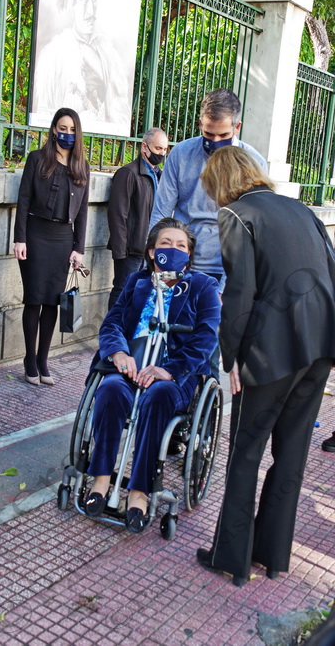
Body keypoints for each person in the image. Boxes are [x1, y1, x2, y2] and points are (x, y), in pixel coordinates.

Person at [196, 146, 335, 586]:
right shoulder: (302, 209)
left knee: (245, 454)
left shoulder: (236, 215)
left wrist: (231, 357)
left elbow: (240, 293)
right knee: (291, 454)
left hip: (270, 350)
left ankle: (231, 559)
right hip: (320, 345)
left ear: (220, 184)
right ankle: (272, 556)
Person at [85, 218, 220, 533]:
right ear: (150, 251)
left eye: (181, 246)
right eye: (165, 244)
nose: (173, 250)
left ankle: (140, 491)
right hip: (132, 365)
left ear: (189, 254)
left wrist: (169, 370)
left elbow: (206, 338)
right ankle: (101, 478)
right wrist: (119, 353)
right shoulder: (137, 281)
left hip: (174, 376)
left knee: (157, 398)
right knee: (110, 390)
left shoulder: (203, 286)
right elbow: (113, 322)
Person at [149, 88, 267, 286]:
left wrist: (226, 285)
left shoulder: (254, 162)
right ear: (200, 124)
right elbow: (161, 211)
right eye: (209, 134)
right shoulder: (181, 154)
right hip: (182, 262)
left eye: (223, 135)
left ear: (237, 127)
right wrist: (154, 260)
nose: (215, 142)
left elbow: (252, 228)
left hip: (229, 267)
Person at [13, 107, 90, 386]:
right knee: (34, 299)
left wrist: (78, 248)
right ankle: (29, 360)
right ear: (54, 129)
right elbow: (23, 200)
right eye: (62, 128)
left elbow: (82, 212)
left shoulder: (82, 167)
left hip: (62, 240)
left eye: (72, 130)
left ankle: (43, 360)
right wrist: (19, 238)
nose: (67, 133)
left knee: (52, 302)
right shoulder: (37, 159)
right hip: (35, 236)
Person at [31, 0, 131, 134]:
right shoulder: (53, 55)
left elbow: (119, 110)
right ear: (73, 3)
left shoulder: (109, 55)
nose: (91, 9)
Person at [107, 128, 168, 310]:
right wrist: (120, 251)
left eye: (165, 149)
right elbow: (117, 214)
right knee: (122, 292)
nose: (161, 154)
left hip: (152, 249)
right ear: (144, 147)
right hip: (131, 250)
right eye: (158, 148)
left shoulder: (160, 176)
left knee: (143, 295)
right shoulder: (128, 173)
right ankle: (114, 327)